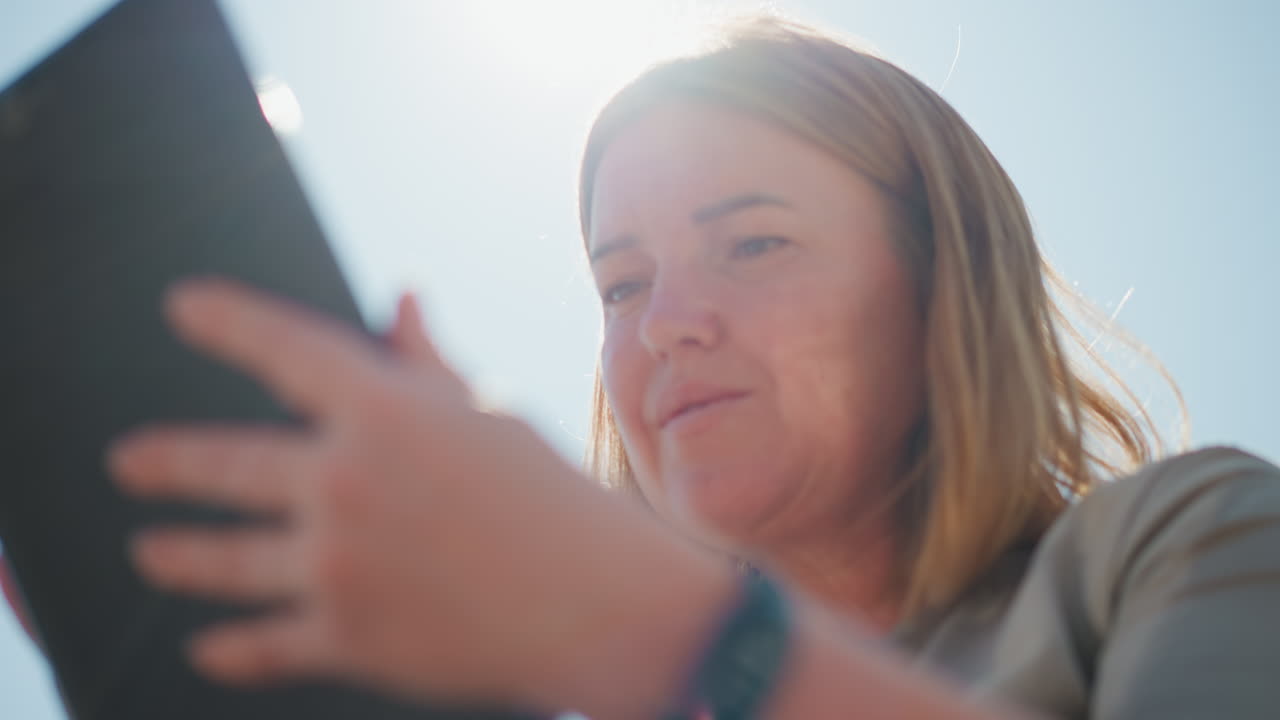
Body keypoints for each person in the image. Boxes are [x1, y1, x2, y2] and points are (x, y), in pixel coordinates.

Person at [102, 15, 1280, 720]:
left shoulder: (1183, 539)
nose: (665, 323)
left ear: (941, 282)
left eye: (752, 244)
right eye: (621, 285)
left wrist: (667, 632)